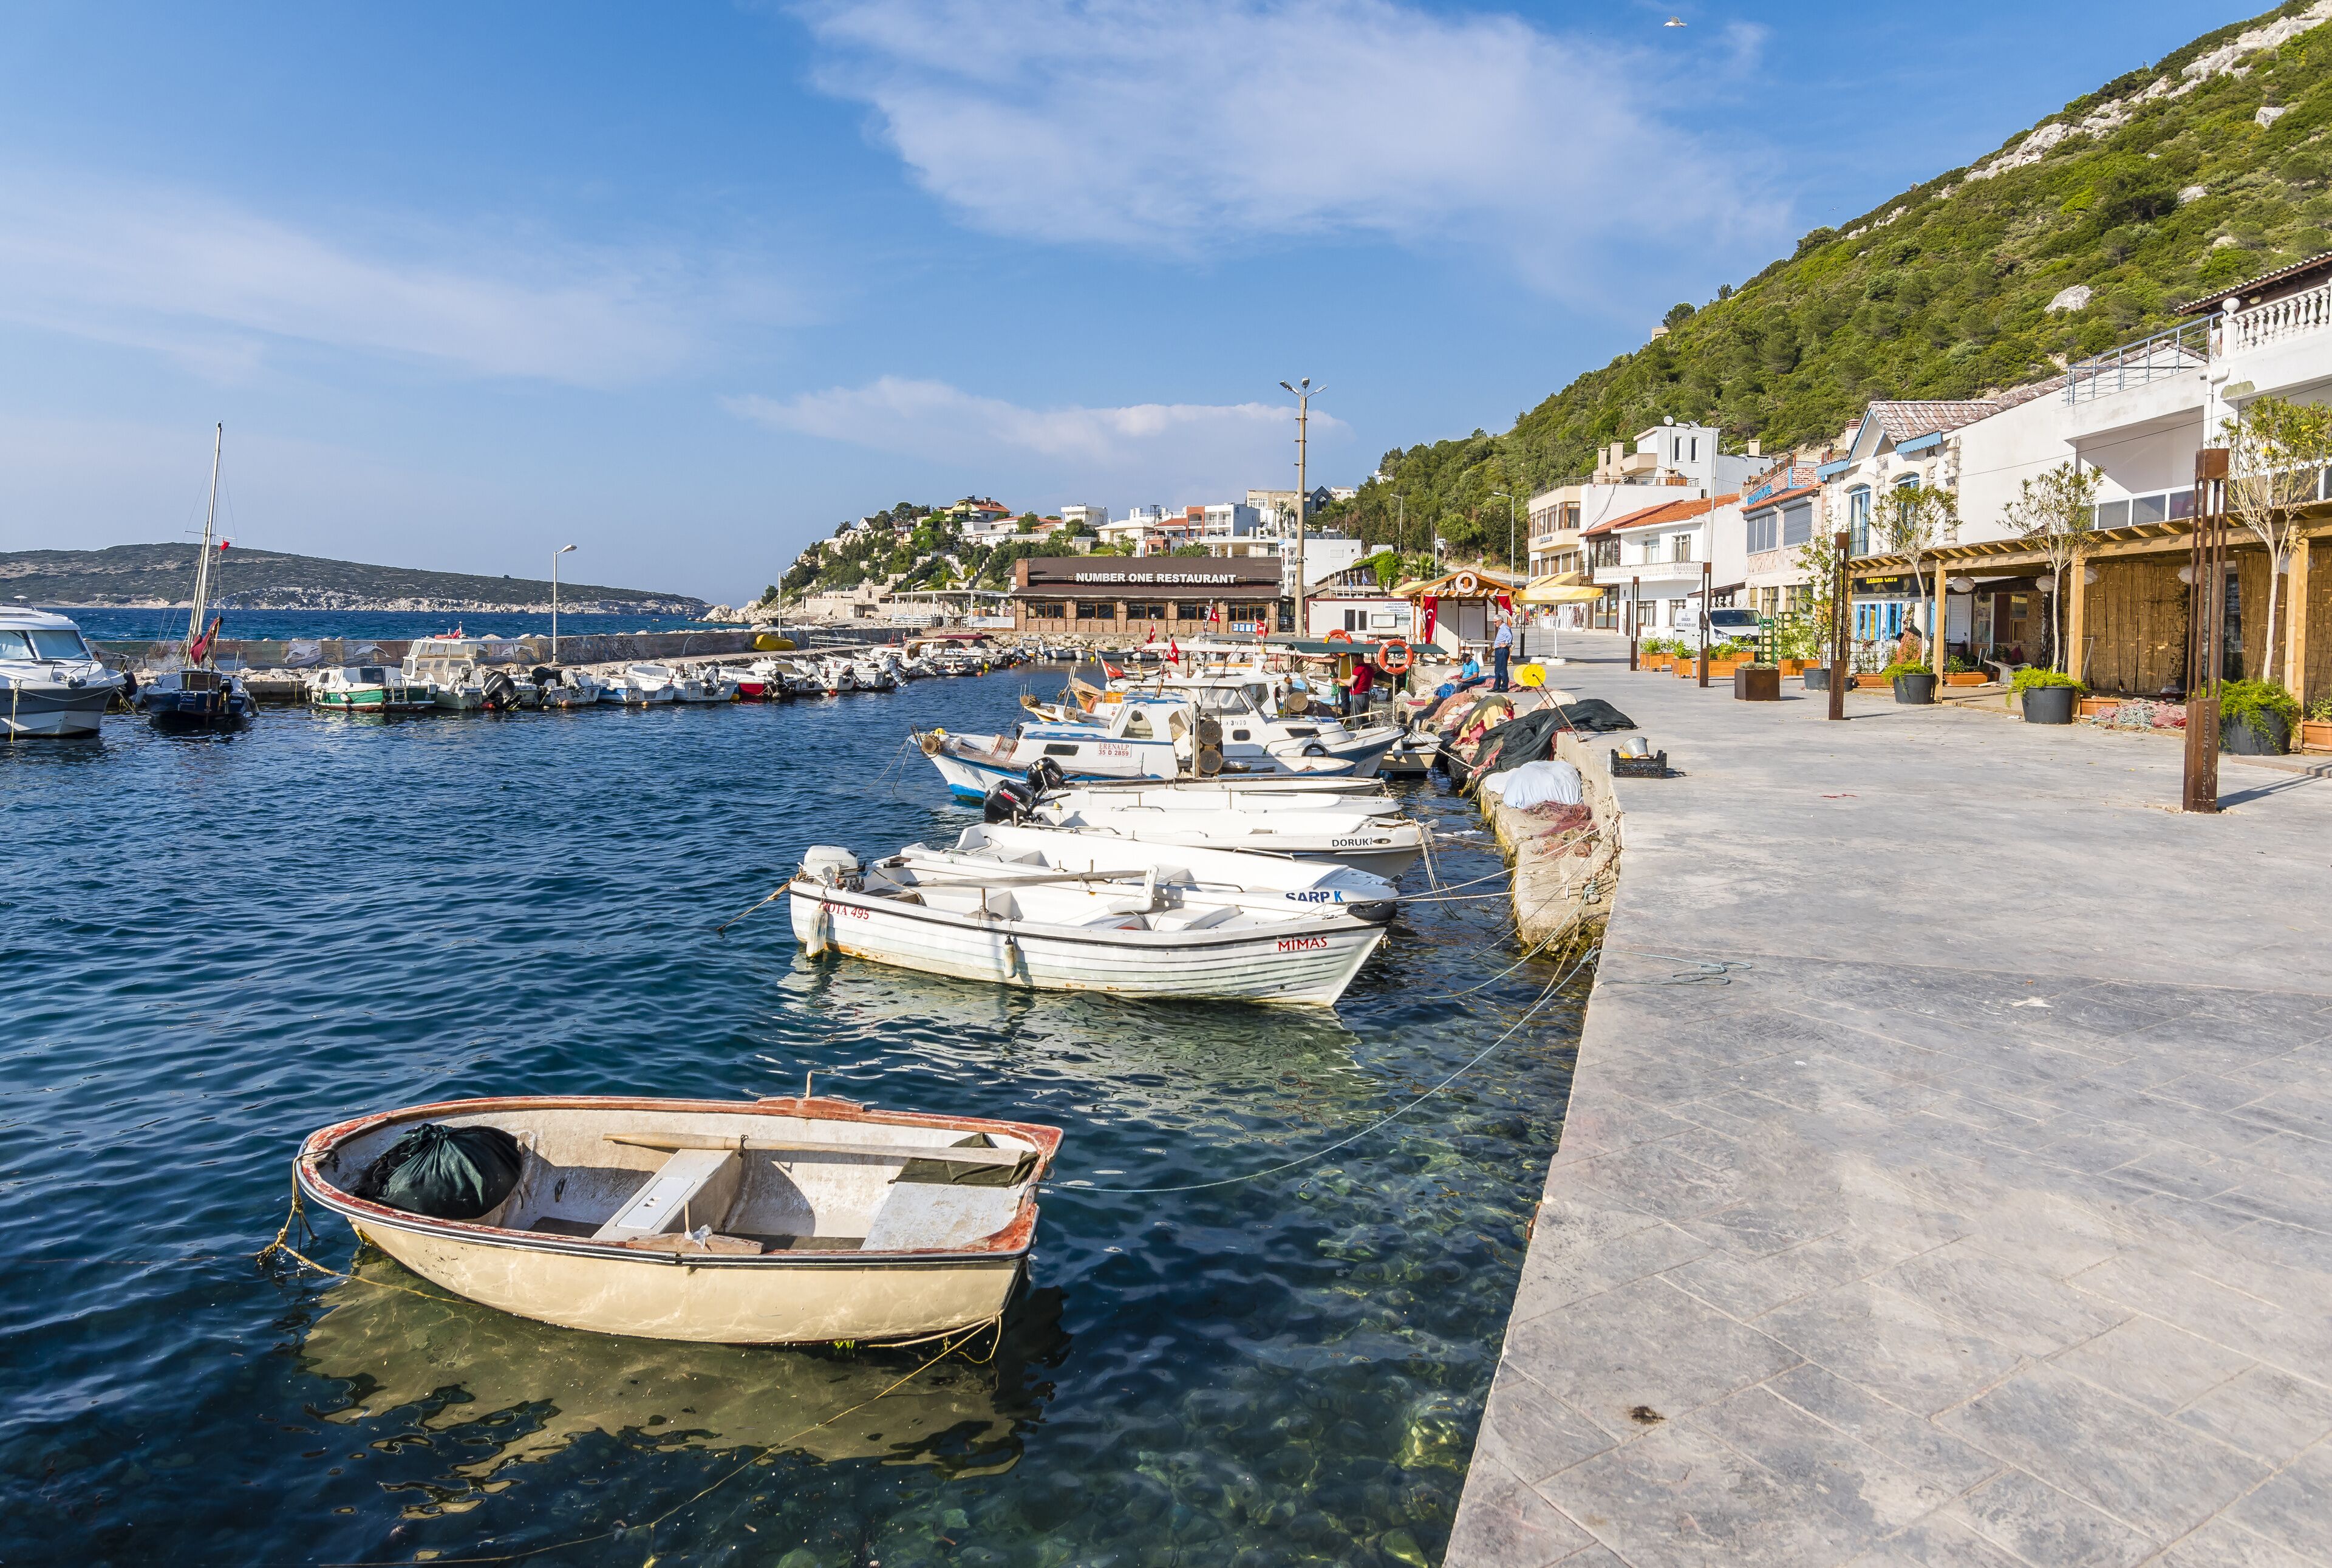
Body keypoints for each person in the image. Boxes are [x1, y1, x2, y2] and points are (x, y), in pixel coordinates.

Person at [1343, 654, 1374, 718]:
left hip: (1358, 696)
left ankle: (1357, 725)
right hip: (1366, 696)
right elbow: (1371, 685)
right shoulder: (1370, 669)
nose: (1353, 660)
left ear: (1359, 658)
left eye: (1354, 658)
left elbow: (1350, 684)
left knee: (1357, 718)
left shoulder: (1358, 668)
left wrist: (1339, 680)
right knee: (1365, 718)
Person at [1492, 615, 1514, 692]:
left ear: (1500, 621)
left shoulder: (1505, 627)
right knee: (1497, 669)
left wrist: (1506, 644)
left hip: (1502, 650)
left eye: (1495, 622)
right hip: (1498, 650)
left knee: (1502, 669)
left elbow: (1510, 636)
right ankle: (1496, 686)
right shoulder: (1501, 628)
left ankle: (1504, 687)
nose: (1495, 624)